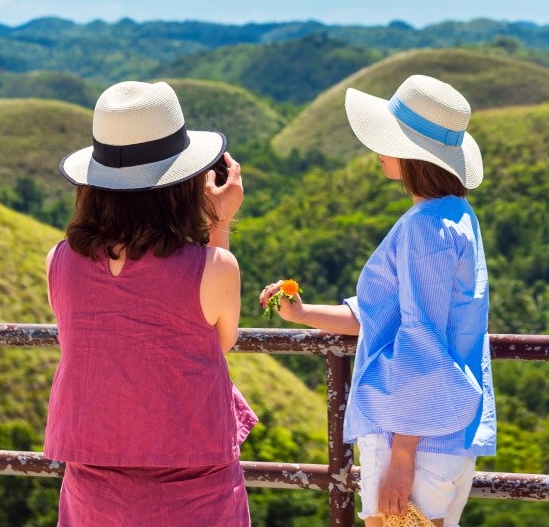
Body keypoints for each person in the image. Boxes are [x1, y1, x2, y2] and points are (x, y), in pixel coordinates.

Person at [261, 74, 495, 527]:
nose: (378, 150)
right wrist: (303, 313)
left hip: (413, 440)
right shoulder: (457, 216)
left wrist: (402, 456)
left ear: (411, 154)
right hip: (446, 433)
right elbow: (382, 319)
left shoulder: (424, 227)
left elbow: (421, 338)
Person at [44, 80, 253, 527]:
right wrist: (219, 223)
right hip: (195, 487)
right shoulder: (215, 266)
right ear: (182, 182)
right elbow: (219, 342)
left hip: (92, 485)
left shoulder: (59, 261)